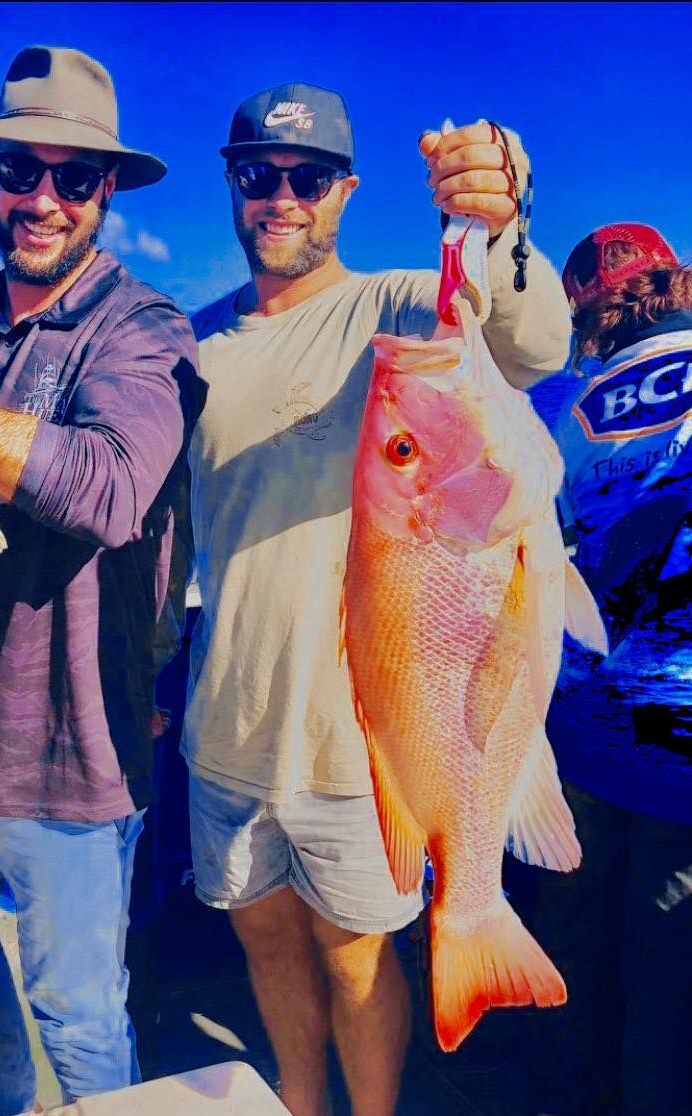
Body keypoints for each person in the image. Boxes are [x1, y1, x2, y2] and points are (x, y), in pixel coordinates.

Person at [181, 83, 572, 1116]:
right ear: (232, 185)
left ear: (345, 192)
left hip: (366, 749)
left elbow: (530, 345)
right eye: (257, 176)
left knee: (356, 961)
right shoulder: (190, 345)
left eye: (307, 179)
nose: (282, 199)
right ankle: (303, 1106)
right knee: (265, 939)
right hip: (222, 731)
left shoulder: (401, 307)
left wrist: (504, 216)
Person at [0, 45, 200, 1116]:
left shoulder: (144, 330)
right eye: (20, 170)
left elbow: (109, 490)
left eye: (73, 177)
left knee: (80, 1013)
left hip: (75, 763)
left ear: (108, 191)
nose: (42, 198)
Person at [520, 223, 692, 1116]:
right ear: (672, 281)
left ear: (582, 313)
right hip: (681, 746)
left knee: (572, 942)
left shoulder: (555, 401)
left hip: (575, 733)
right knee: (668, 972)